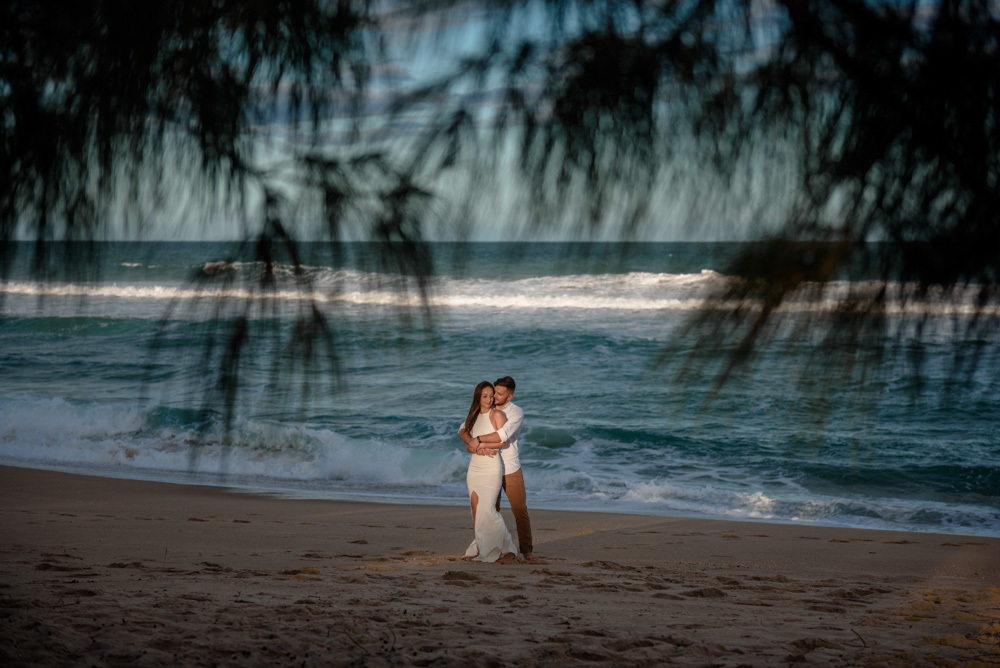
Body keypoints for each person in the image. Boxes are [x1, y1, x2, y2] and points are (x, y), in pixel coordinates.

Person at [460, 376, 535, 562]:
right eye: (494, 392)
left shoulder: (516, 412)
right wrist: (473, 444)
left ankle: (526, 550)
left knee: (519, 509)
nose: (495, 397)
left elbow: (503, 436)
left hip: (509, 468)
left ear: (510, 397)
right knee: (489, 511)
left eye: (499, 394)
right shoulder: (486, 407)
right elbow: (463, 429)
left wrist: (478, 441)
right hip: (486, 467)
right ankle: (486, 548)